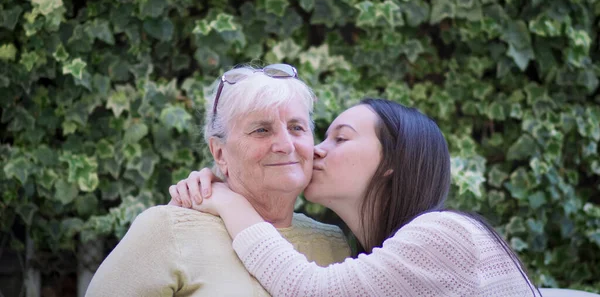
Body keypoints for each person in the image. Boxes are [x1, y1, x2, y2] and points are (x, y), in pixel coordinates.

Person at [170, 98, 542, 296]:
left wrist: (228, 200)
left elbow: (309, 290)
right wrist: (231, 174)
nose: (316, 149)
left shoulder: (444, 234)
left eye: (341, 138)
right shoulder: (358, 254)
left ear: (391, 162)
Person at [85, 64, 350, 297]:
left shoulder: (332, 242)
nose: (285, 144)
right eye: (261, 130)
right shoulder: (166, 230)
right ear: (219, 152)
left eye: (297, 128)